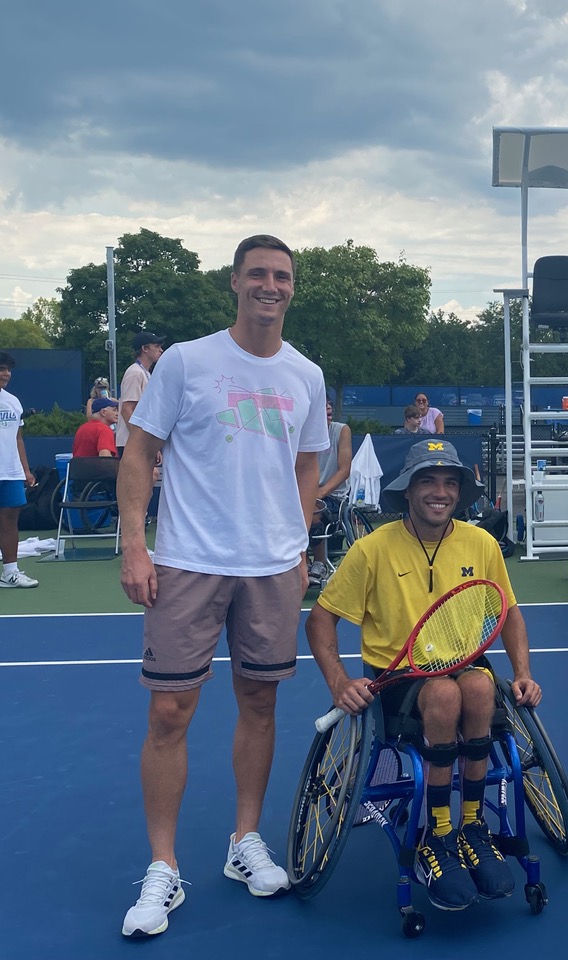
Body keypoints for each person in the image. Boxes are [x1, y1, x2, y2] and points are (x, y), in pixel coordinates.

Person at [117, 235, 329, 937]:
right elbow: (140, 452)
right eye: (258, 274)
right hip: (187, 561)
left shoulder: (306, 374)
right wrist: (135, 546)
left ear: (292, 288)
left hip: (271, 567)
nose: (271, 285)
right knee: (170, 715)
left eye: (282, 276)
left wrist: (298, 545)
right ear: (235, 282)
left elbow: (307, 469)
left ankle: (244, 843)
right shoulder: (185, 362)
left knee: (260, 704)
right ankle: (163, 868)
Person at [305, 439, 541, 911]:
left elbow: (509, 611)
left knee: (476, 684)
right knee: (443, 695)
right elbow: (320, 618)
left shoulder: (481, 543)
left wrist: (522, 672)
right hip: (399, 678)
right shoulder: (372, 550)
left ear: (460, 492)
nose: (440, 492)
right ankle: (437, 833)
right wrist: (338, 682)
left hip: (465, 662)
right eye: (428, 482)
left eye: (449, 483)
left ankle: (472, 826)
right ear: (408, 491)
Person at [0, 351, 38, 589]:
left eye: (8, 370)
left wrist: (25, 470)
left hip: (10, 472)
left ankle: (10, 572)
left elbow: (18, 438)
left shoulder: (13, 401)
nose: (5, 374)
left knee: (10, 521)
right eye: (1, 369)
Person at [307, 400, 353, 585]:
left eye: (329, 406)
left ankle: (320, 564)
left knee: (311, 509)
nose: (328, 409)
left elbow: (345, 470)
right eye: (322, 406)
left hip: (334, 497)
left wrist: (320, 492)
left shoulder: (341, 430)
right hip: (307, 493)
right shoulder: (302, 433)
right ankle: (300, 565)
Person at [117, 330, 165, 456]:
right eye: (157, 346)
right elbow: (127, 409)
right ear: (145, 348)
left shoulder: (145, 373)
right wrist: (141, 442)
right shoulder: (135, 373)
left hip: (137, 442)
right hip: (130, 442)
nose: (161, 350)